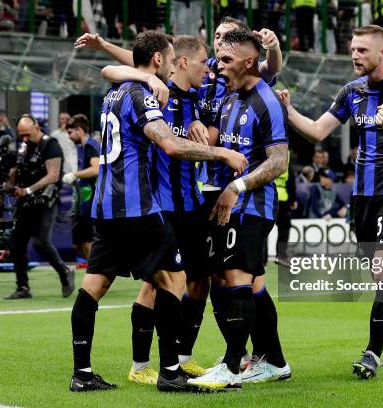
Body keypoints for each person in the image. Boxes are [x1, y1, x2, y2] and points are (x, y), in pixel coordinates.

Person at [68, 31, 247, 393]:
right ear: (160, 60)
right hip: (138, 206)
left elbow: (112, 70)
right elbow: (168, 143)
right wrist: (222, 153)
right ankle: (169, 371)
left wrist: (134, 68)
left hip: (105, 206)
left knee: (94, 285)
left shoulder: (115, 93)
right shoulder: (142, 94)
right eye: (166, 59)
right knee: (173, 279)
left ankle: (82, 374)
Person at [278, 25, 383, 379]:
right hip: (362, 198)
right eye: (352, 49)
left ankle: (371, 355)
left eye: (362, 50)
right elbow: (317, 130)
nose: (354, 55)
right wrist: (288, 110)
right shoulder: (352, 91)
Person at [100, 35, 213, 383]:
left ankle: (183, 357)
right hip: (160, 206)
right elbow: (116, 68)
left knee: (199, 283)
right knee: (156, 284)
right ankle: (141, 366)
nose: (209, 71)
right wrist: (145, 75)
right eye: (203, 63)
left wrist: (204, 128)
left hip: (191, 204)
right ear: (177, 61)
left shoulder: (197, 95)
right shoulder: (154, 91)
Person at [188, 29, 291, 389]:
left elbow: (279, 161)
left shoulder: (267, 101)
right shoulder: (230, 98)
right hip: (229, 204)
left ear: (249, 62)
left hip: (253, 205)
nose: (219, 66)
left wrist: (237, 186)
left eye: (227, 61)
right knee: (240, 282)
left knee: (235, 279)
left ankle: (232, 367)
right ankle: (273, 361)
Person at [3, 115, 75, 300]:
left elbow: (53, 175)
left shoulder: (50, 144)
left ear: (36, 127)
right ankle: (23, 287)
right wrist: (9, 184)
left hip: (45, 201)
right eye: (21, 135)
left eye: (27, 134)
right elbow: (17, 171)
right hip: (25, 202)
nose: (24, 138)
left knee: (41, 242)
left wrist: (27, 190)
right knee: (16, 242)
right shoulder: (23, 148)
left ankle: (65, 272)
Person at [62, 114, 99, 262]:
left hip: (91, 200)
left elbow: (96, 169)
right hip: (84, 199)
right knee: (78, 240)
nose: (69, 136)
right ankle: (93, 269)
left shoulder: (91, 145)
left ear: (79, 130)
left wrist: (74, 175)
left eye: (70, 132)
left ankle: (94, 271)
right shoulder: (83, 147)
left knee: (86, 239)